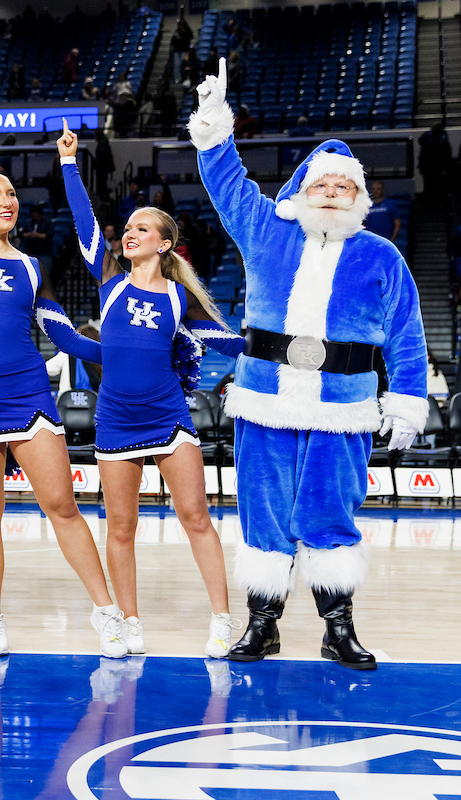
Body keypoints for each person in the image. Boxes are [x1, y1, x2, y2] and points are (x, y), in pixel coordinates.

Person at [190, 59, 428, 669]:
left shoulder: (382, 255)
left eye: (343, 187)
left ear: (359, 197)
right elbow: (228, 184)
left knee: (330, 511)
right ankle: (262, 625)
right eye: (322, 185)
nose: (331, 193)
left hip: (343, 405)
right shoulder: (267, 231)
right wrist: (214, 127)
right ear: (301, 190)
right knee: (263, 509)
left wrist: (406, 400)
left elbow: (406, 333)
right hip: (265, 397)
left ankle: (337, 629)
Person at [0, 63, 126, 658]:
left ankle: (108, 613)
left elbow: (63, 335)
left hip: (28, 396)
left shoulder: (31, 266)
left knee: (63, 506)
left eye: (12, 194)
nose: (8, 201)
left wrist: (119, 357)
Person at [59, 119, 242, 658]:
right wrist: (69, 163)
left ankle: (222, 620)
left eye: (142, 228)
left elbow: (228, 342)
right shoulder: (110, 283)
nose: (129, 233)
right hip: (116, 420)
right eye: (127, 228)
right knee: (120, 527)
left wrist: (284, 348)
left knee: (196, 518)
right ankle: (130, 622)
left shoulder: (179, 298)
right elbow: (85, 224)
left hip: (167, 417)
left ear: (164, 244)